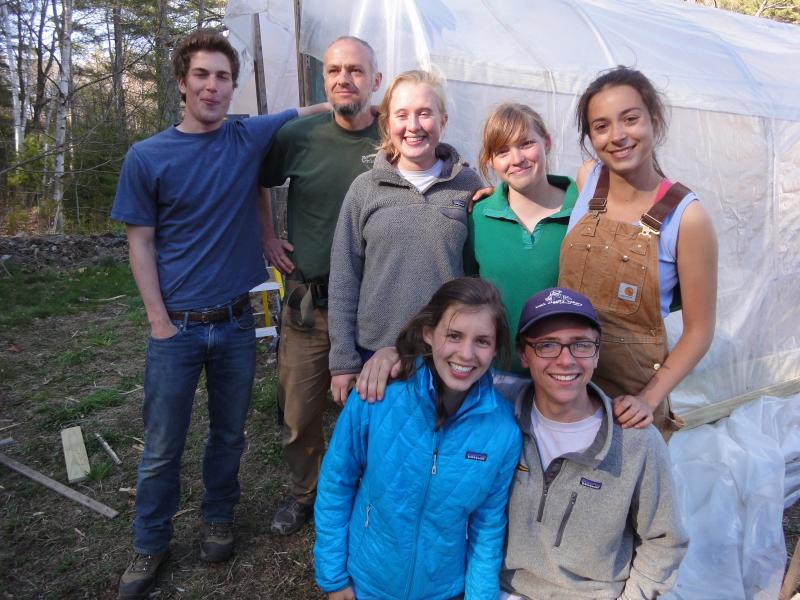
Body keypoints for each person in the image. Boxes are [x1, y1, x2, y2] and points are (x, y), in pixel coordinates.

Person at [111, 29, 327, 600]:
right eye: (201, 76)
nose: (212, 86)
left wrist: (378, 102)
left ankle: (218, 517)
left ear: (233, 87)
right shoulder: (148, 156)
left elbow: (311, 109)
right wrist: (157, 319)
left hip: (234, 323)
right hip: (176, 327)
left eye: (222, 77)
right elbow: (140, 244)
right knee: (162, 446)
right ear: (182, 83)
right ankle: (150, 542)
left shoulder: (245, 135)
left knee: (228, 436)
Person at [314, 278, 522, 600]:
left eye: (482, 341)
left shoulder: (503, 430)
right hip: (367, 583)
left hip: (443, 590)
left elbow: (488, 526)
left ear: (495, 349)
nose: (466, 354)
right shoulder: (376, 395)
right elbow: (335, 483)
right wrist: (334, 578)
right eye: (454, 335)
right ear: (429, 334)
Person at [258, 36, 382, 535]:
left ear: (374, 80)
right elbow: (258, 179)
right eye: (333, 71)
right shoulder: (298, 135)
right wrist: (267, 235)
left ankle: (366, 493)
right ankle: (305, 493)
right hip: (311, 303)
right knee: (299, 411)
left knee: (375, 411)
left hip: (375, 306)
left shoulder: (394, 136)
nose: (342, 80)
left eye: (354, 70)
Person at [559, 66, 718, 436]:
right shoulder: (588, 179)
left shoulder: (687, 217)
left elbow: (699, 332)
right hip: (566, 382)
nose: (617, 136)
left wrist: (649, 399)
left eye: (630, 119)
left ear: (654, 121)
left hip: (629, 402)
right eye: (601, 126)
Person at [500, 287, 687, 599]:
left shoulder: (634, 440)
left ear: (597, 353)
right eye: (547, 345)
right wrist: (389, 355)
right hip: (505, 591)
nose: (565, 360)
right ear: (523, 354)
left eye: (581, 345)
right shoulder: (500, 414)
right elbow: (444, 373)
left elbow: (664, 541)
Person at [328, 69, 483, 402]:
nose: (413, 126)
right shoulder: (364, 189)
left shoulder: (469, 185)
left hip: (450, 352)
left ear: (443, 120)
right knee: (387, 451)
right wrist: (342, 361)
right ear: (387, 123)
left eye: (425, 113)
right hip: (376, 353)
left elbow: (479, 270)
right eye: (402, 115)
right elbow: (344, 277)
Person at [468, 103, 579, 374]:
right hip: (495, 377)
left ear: (547, 143)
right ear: (490, 162)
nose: (516, 159)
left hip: (568, 377)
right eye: (502, 151)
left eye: (526, 143)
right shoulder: (477, 216)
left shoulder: (584, 213)